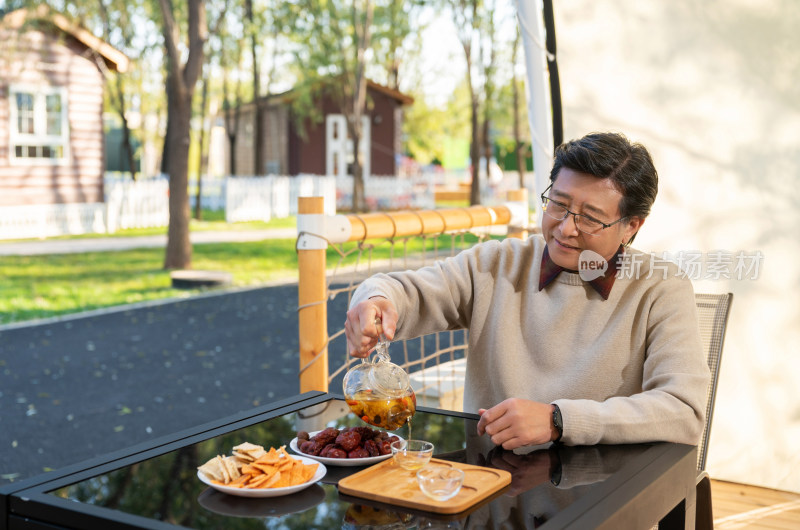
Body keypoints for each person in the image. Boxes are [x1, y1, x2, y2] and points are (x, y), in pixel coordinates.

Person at [344, 132, 710, 449]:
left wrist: (558, 420)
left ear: (631, 226)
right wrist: (376, 299)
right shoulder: (496, 264)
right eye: (559, 204)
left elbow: (683, 411)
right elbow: (408, 291)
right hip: (488, 482)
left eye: (590, 218)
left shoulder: (661, 288)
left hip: (599, 491)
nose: (566, 228)